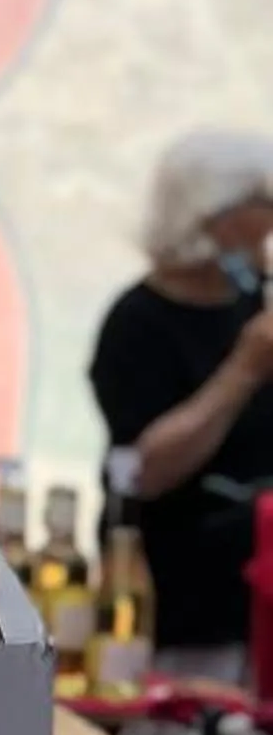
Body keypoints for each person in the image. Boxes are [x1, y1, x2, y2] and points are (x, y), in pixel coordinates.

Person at [89, 128, 273, 677]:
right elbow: (145, 469)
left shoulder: (253, 302)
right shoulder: (138, 322)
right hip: (181, 599)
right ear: (210, 216)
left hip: (258, 597)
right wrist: (244, 370)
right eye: (258, 205)